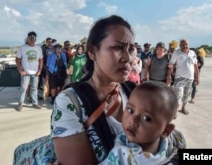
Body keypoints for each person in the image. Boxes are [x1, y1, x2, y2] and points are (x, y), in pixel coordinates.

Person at [13, 15, 185, 165]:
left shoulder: (136, 93)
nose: (128, 57)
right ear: (93, 52)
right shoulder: (71, 103)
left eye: (131, 49)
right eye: (118, 48)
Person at [100, 81, 183, 165]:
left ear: (166, 130)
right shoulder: (175, 139)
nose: (133, 120)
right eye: (130, 110)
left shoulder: (123, 156)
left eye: (146, 118)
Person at [168, 39, 199, 115]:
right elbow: (171, 63)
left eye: (186, 44)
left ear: (188, 44)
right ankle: (175, 111)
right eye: (183, 44)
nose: (185, 46)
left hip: (190, 78)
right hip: (179, 78)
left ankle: (183, 108)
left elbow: (195, 66)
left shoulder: (192, 53)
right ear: (180, 45)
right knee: (178, 95)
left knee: (186, 94)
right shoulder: (177, 53)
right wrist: (169, 75)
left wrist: (197, 77)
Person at [15, 31, 43, 111]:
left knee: (34, 88)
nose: (32, 39)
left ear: (35, 39)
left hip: (35, 73)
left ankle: (35, 103)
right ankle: (20, 103)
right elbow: (17, 59)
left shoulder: (38, 48)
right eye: (31, 37)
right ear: (28, 38)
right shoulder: (23, 48)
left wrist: (40, 69)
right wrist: (20, 70)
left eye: (34, 37)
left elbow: (41, 59)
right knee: (23, 88)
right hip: (25, 72)